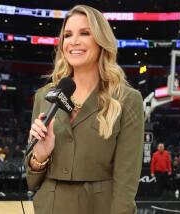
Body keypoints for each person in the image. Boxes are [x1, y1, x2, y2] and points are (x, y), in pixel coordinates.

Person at [25, 5, 144, 214]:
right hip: (49, 207)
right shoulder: (44, 96)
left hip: (100, 207)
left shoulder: (127, 99)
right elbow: (31, 180)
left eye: (85, 33)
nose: (74, 41)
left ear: (101, 40)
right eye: (68, 35)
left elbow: (126, 179)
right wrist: (40, 157)